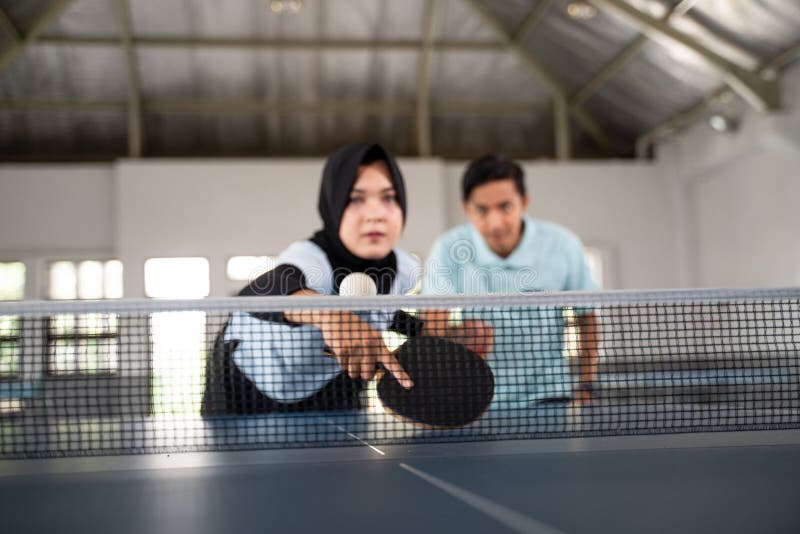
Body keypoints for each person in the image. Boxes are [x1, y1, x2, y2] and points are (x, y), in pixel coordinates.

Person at [202, 142, 420, 415]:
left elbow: (382, 312)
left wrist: (431, 332)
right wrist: (330, 315)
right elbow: (260, 290)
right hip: (246, 388)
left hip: (324, 387)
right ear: (334, 203)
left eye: (389, 197)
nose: (375, 215)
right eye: (355, 198)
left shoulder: (404, 267)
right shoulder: (310, 257)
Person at [421, 154, 599, 406]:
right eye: (482, 210)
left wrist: (586, 385)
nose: (495, 223)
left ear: (523, 202)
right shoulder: (448, 248)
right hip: (476, 397)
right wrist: (454, 337)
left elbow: (586, 317)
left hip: (548, 394)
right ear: (466, 208)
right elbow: (432, 322)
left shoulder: (563, 244)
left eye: (505, 207)